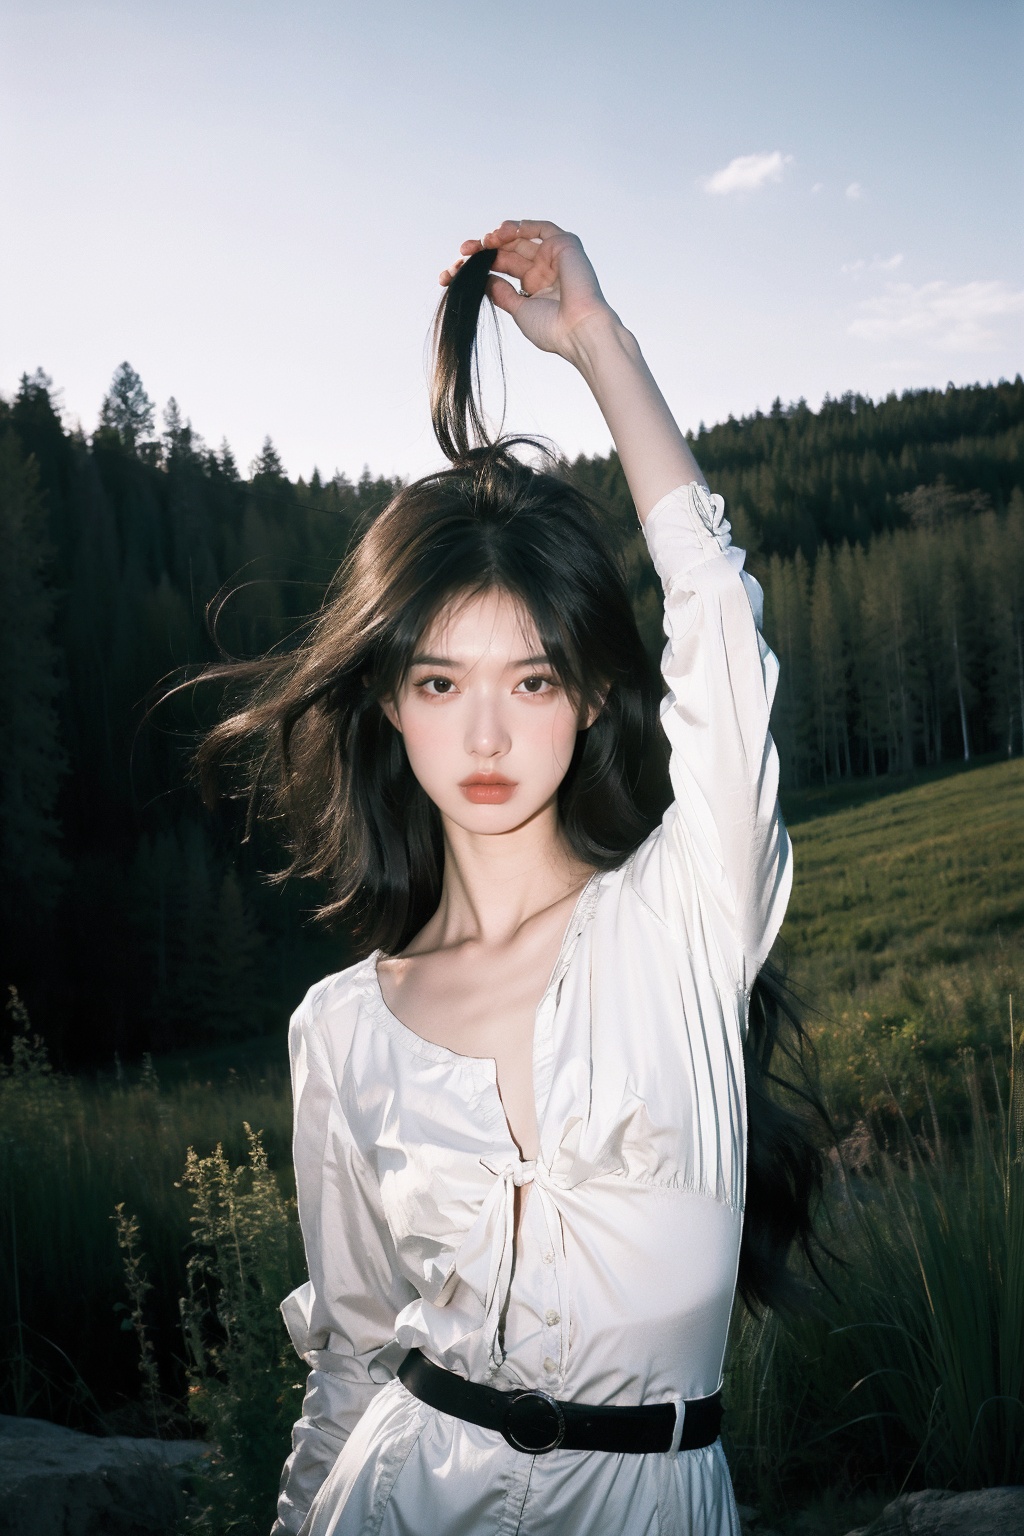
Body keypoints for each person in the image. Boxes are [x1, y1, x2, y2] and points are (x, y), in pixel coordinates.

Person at [201, 220, 823, 1535]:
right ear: (390, 705)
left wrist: (599, 345)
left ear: (591, 692)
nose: (485, 737)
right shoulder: (346, 1029)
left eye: (529, 679)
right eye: (441, 683)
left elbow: (718, 624)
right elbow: (352, 1367)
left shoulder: (684, 923)